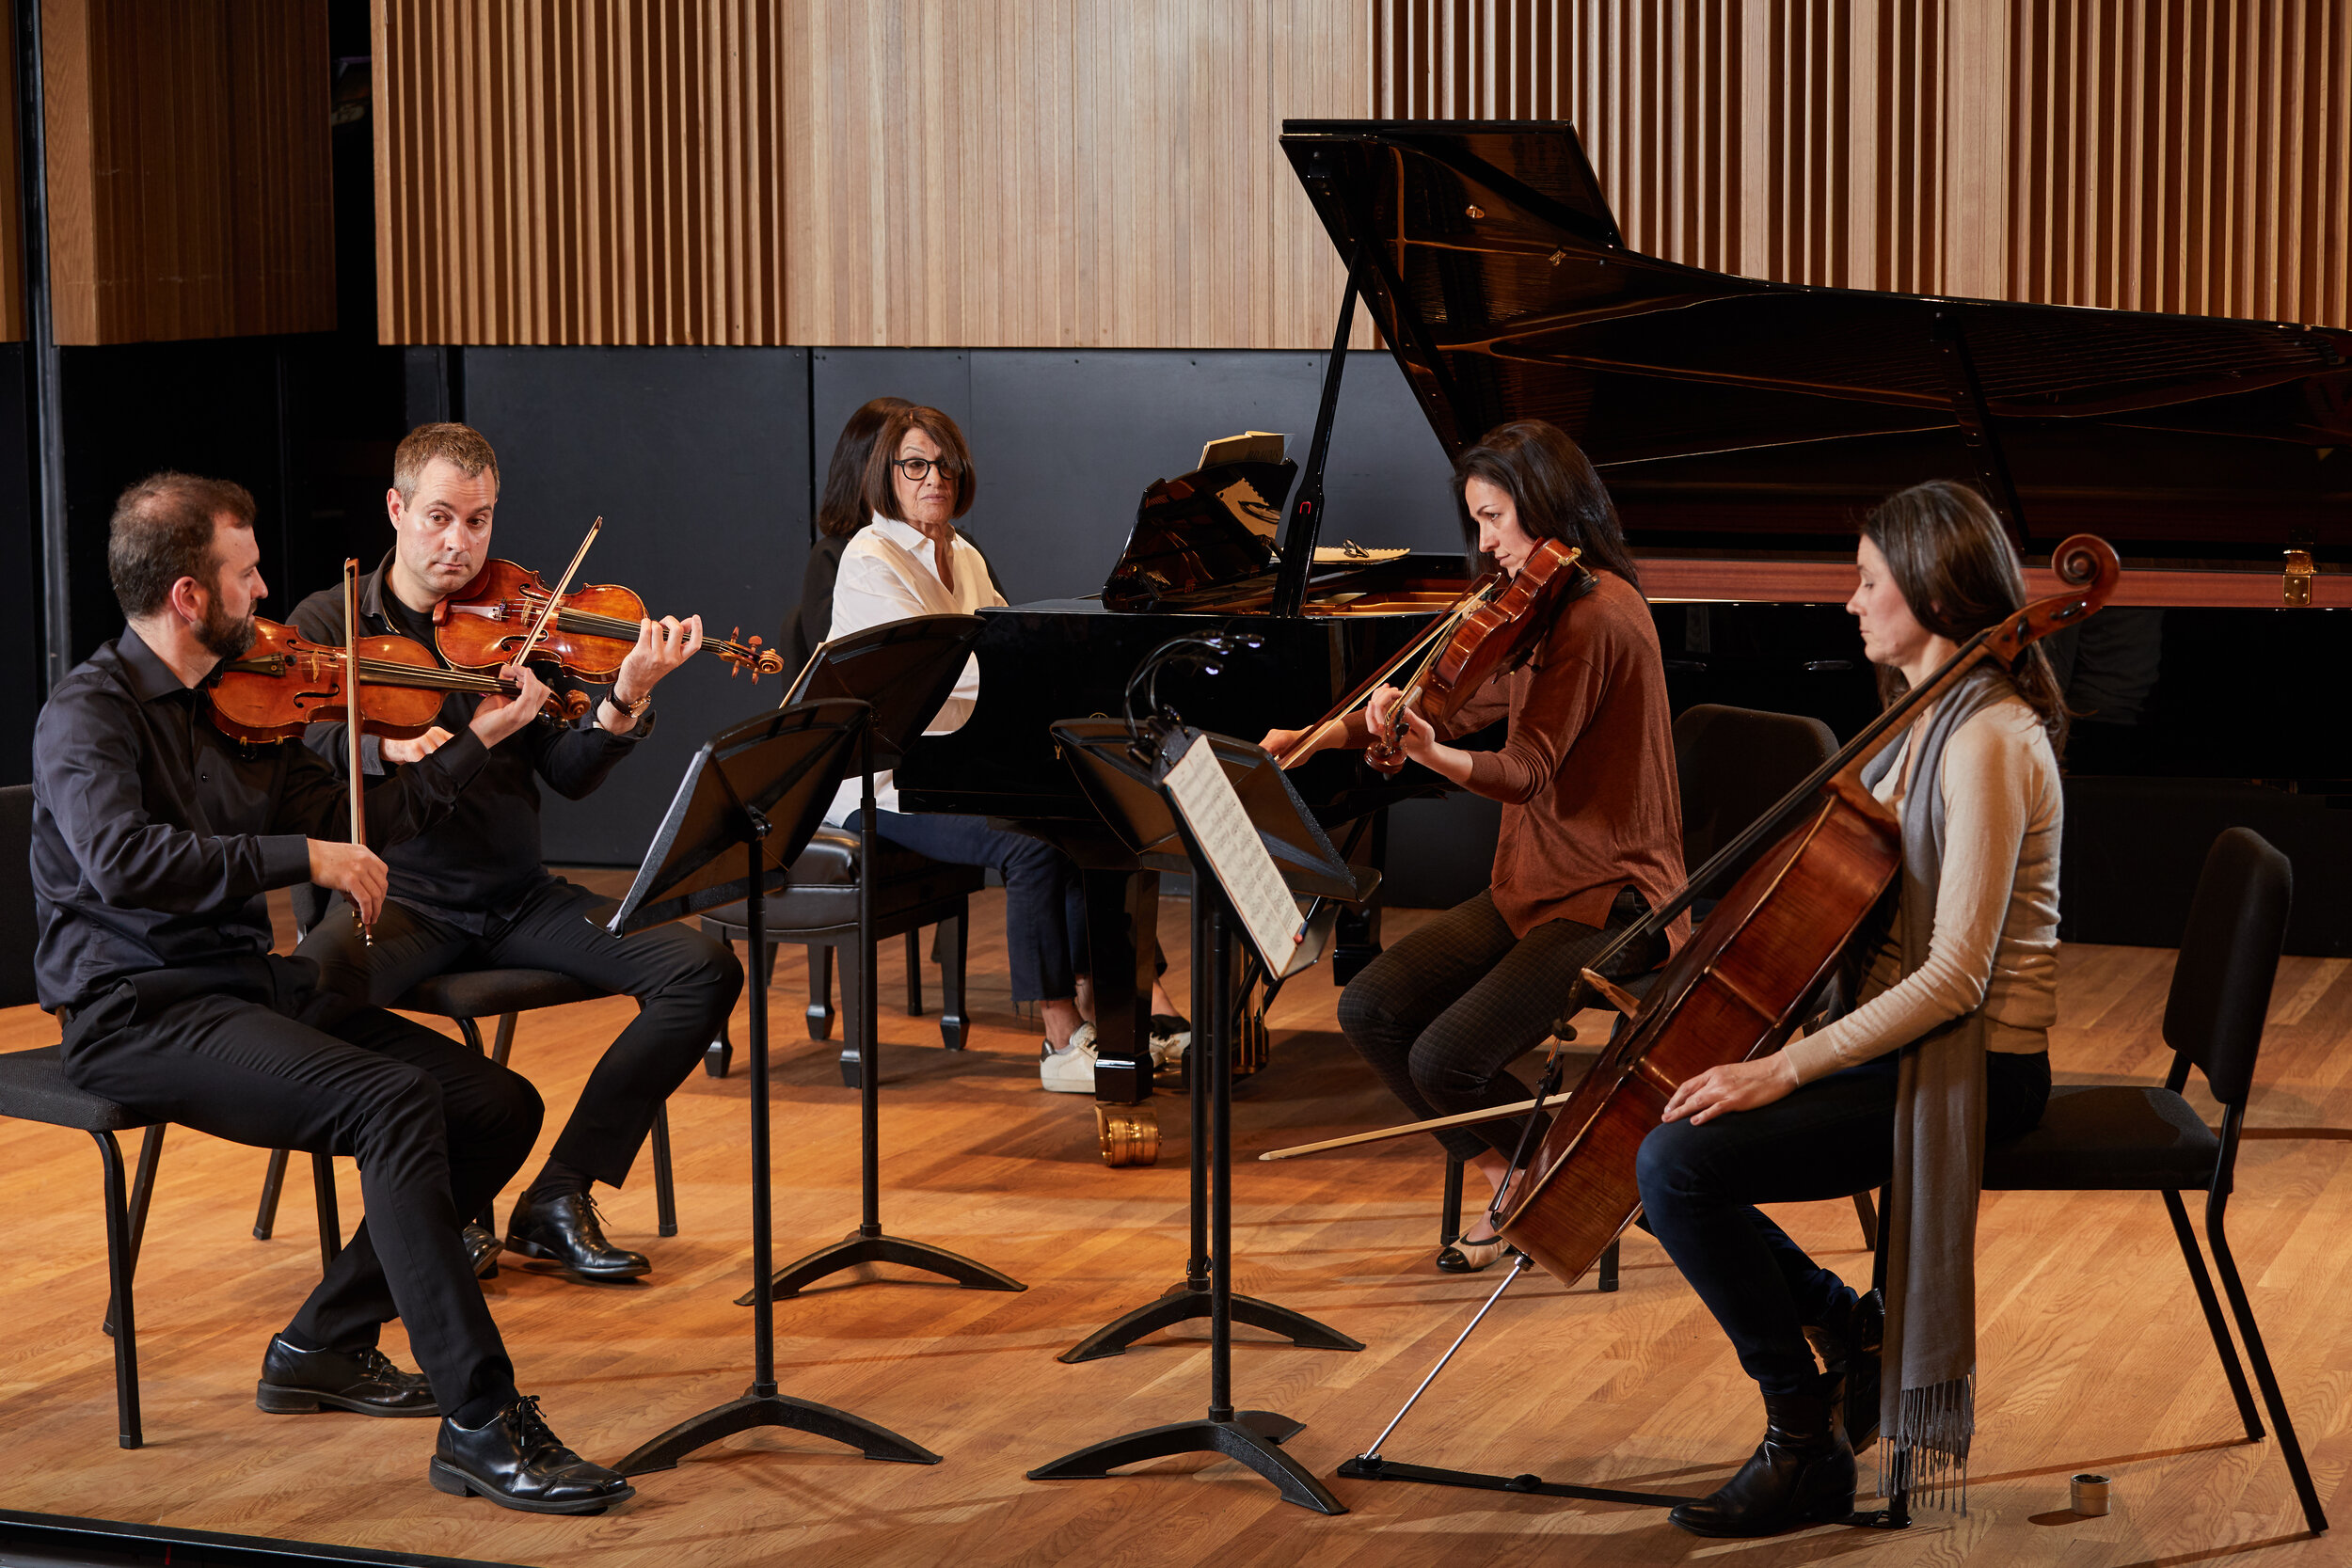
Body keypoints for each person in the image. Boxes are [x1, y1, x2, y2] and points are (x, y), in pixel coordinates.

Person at [34, 472, 630, 1513]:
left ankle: (322, 1340)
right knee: (390, 1098)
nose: (266, 594)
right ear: (188, 595)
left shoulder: (241, 705)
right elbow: (127, 860)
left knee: (494, 1105)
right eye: (247, 573)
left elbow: (368, 813)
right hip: (136, 1009)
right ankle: (483, 1423)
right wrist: (298, 854)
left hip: (242, 987)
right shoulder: (88, 714)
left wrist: (478, 735)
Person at [1634, 479, 2062, 1537]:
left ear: (1928, 587)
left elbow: (1957, 976)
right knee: (1658, 1142)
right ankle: (1845, 1325)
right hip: (1918, 1045)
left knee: (1673, 1164)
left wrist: (1783, 1065)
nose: (1850, 600)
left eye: (1868, 579)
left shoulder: (1985, 739)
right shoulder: (1921, 719)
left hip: (1978, 1064)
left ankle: (1801, 1438)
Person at [292, 422, 744, 1285]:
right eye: (438, 518)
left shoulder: (520, 626)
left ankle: (560, 1192)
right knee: (309, 997)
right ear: (395, 509)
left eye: (479, 520)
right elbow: (296, 736)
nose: (459, 543)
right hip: (399, 899)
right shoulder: (334, 619)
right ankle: (438, 1199)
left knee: (701, 966)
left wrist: (622, 700)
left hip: (515, 896)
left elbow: (569, 774)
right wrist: (383, 746)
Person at [1262, 419, 1687, 1272]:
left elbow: (1524, 772)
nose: (1486, 543)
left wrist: (1425, 749)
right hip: (1534, 883)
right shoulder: (1537, 611)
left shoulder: (1599, 615)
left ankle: (1574, 1169)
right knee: (1370, 1008)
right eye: (1480, 522)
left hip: (1616, 898)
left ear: (1546, 506)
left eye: (1494, 518)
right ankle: (1518, 1173)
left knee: (1447, 1056)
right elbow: (1453, 703)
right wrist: (1329, 730)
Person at [822, 403, 1186, 1089]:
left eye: (945, 464)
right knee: (1031, 841)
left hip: (962, 759)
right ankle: (1057, 1039)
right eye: (916, 465)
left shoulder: (961, 552)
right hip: (889, 780)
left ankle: (1120, 1007)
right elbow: (945, 678)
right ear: (888, 477)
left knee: (1097, 809)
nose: (935, 477)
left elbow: (1001, 647)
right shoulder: (869, 560)